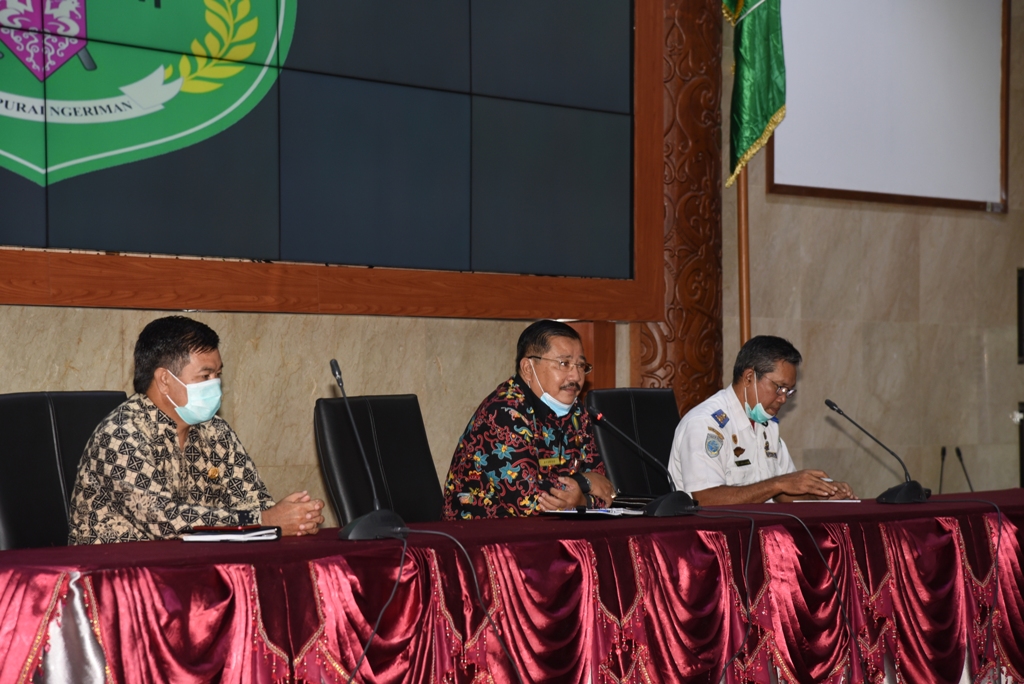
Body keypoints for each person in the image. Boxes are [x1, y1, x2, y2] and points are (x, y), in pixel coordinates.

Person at [68, 316, 325, 544]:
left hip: (188, 567)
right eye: (205, 376)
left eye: (218, 374)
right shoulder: (121, 434)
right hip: (114, 575)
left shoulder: (215, 431)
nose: (216, 385)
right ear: (165, 380)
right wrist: (263, 520)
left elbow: (254, 500)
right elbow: (164, 520)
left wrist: (295, 518)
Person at [442, 320, 615, 519]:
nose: (576, 376)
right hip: (482, 532)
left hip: (551, 528)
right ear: (527, 368)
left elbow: (605, 489)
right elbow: (527, 500)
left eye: (580, 365)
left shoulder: (577, 412)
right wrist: (584, 483)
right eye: (564, 364)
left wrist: (583, 501)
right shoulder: (503, 412)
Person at [668, 335, 854, 505]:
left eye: (788, 391)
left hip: (761, 527)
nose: (783, 398)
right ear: (749, 377)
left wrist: (820, 494)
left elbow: (784, 492)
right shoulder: (705, 423)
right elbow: (705, 499)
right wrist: (778, 484)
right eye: (779, 387)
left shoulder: (767, 424)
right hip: (716, 531)